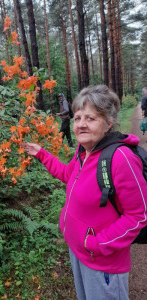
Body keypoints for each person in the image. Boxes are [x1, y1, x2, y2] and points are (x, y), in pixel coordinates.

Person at [23, 85, 147, 300]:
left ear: (108, 123)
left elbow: (138, 216)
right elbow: (66, 174)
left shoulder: (120, 158)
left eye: (90, 118)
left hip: (102, 261)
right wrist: (41, 154)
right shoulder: (84, 152)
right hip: (78, 252)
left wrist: (97, 244)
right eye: (78, 117)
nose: (81, 124)